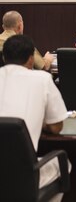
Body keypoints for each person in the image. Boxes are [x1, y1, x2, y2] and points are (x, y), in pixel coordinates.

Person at [0, 34, 69, 200]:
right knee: (63, 164)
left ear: (3, 57)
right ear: (31, 60)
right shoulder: (43, 79)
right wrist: (42, 123)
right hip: (21, 176)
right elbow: (56, 126)